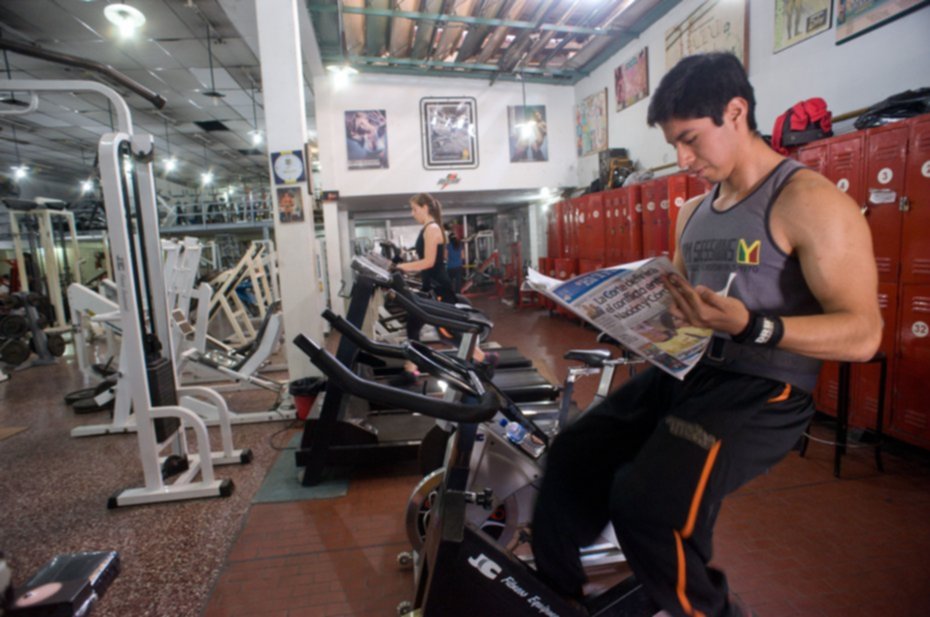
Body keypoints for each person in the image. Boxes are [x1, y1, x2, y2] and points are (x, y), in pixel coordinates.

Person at [531, 52, 882, 616]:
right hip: (691, 372)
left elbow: (863, 334)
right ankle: (556, 598)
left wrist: (752, 325)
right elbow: (683, 306)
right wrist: (630, 311)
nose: (682, 158)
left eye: (691, 140)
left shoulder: (809, 201)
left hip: (765, 389)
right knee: (574, 452)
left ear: (736, 112)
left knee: (647, 505)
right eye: (674, 144)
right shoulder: (692, 210)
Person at [394, 193, 494, 386]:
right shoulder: (428, 228)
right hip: (430, 286)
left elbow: (429, 262)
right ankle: (411, 371)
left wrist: (401, 267)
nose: (412, 213)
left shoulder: (432, 229)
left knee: (447, 333)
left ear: (425, 208)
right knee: (414, 326)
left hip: (438, 288)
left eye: (414, 209)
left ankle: (486, 360)